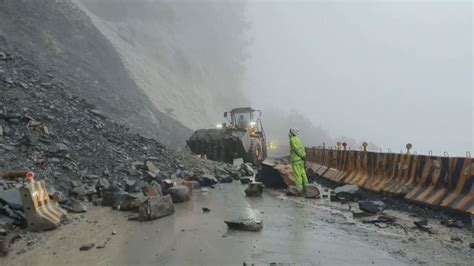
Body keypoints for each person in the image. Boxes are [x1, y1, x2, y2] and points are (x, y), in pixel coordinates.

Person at [289, 128, 308, 193]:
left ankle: (299, 189)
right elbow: (302, 148)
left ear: (291, 133)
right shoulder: (298, 139)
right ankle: (306, 187)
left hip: (296, 160)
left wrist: (301, 155)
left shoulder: (292, 140)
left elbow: (296, 149)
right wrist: (304, 156)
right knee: (303, 173)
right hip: (301, 160)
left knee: (297, 174)